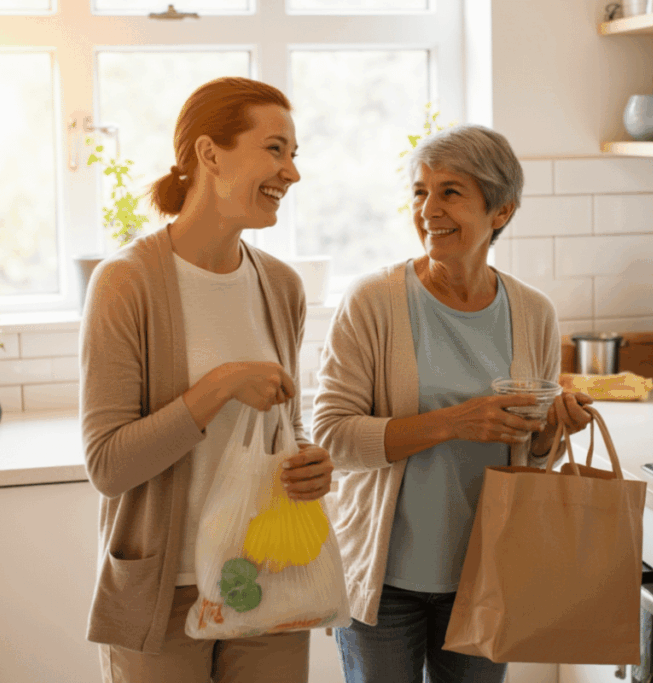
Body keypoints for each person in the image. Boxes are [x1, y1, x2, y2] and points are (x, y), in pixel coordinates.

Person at [312, 123, 593, 683]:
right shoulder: (374, 302)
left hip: (486, 576)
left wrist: (551, 432)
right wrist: (455, 422)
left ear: (501, 211)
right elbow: (332, 435)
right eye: (420, 191)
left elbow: (529, 458)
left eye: (450, 192)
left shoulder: (533, 312)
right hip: (384, 582)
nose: (428, 209)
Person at [79, 76, 334, 683]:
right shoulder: (127, 283)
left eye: (294, 154)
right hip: (161, 593)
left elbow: (285, 423)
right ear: (209, 153)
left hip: (268, 581)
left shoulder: (282, 286)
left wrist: (309, 463)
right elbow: (108, 466)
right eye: (275, 149)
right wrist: (218, 387)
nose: (291, 173)